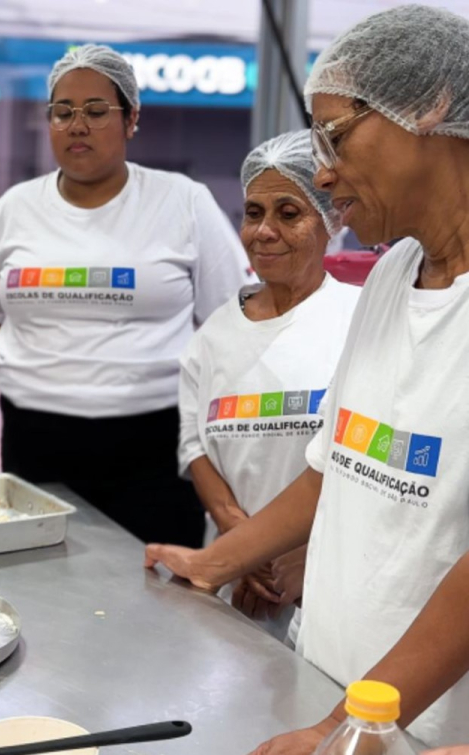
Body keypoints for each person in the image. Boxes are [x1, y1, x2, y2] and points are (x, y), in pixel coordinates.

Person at [146, 5, 469, 751]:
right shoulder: (393, 272)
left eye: (336, 133)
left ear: (430, 107)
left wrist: (345, 728)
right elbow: (335, 469)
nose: (322, 168)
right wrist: (214, 561)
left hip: (422, 726)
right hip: (327, 676)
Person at [0, 44, 253, 547]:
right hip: (35, 438)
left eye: (97, 112)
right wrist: (50, 355)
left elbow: (234, 316)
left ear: (131, 119)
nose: (78, 125)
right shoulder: (17, 208)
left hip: (155, 441)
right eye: (63, 112)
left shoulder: (182, 201)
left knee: (159, 593)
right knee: (44, 583)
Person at [174, 130, 360, 642]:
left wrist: (302, 554)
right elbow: (197, 448)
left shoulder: (358, 320)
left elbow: (362, 457)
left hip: (326, 575)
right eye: (253, 213)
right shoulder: (213, 334)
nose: (264, 231)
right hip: (231, 583)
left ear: (331, 221)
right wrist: (242, 545)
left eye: (288, 213)